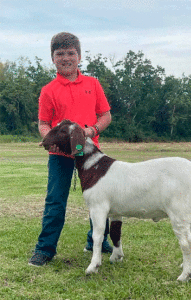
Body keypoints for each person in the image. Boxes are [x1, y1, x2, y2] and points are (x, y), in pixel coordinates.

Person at [29, 32, 113, 266]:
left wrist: (91, 131)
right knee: (55, 201)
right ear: (53, 58)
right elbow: (44, 123)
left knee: (100, 199)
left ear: (79, 55)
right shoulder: (48, 89)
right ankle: (45, 249)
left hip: (91, 153)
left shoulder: (92, 83)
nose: (66, 58)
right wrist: (51, 139)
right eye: (60, 54)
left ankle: (97, 241)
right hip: (60, 155)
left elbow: (105, 115)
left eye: (70, 53)